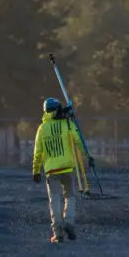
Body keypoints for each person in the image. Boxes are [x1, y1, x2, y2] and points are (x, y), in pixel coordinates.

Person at [31, 97, 89, 243]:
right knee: (70, 197)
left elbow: (38, 152)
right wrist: (87, 155)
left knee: (54, 200)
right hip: (68, 167)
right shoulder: (67, 124)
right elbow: (78, 140)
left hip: (51, 170)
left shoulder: (42, 129)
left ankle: (58, 234)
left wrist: (36, 170)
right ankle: (68, 222)